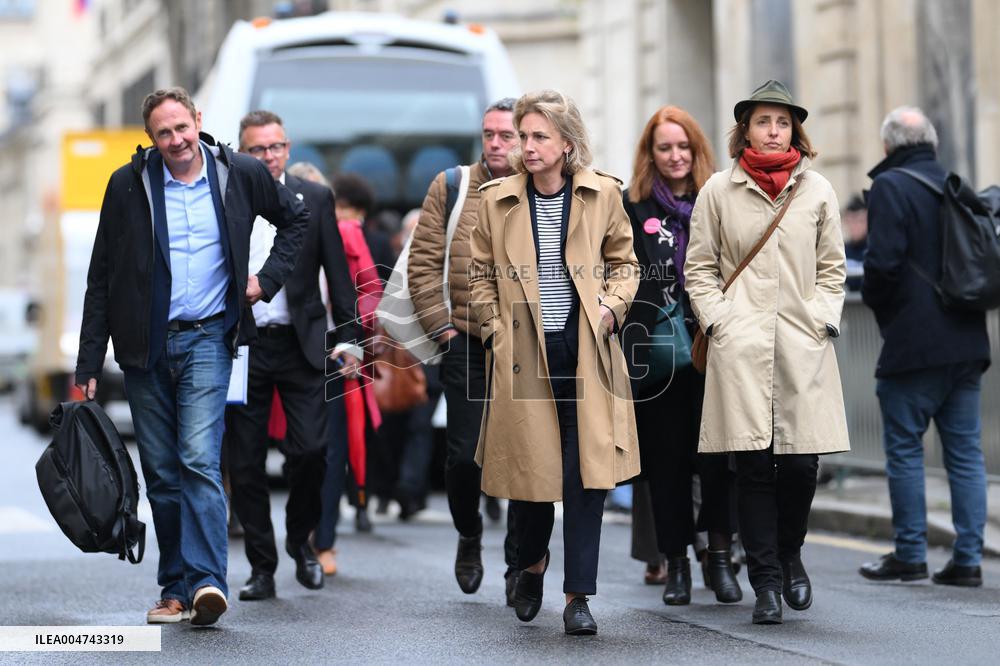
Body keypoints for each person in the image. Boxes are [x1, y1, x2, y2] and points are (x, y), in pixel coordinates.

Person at [74, 87, 308, 625]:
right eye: (164, 133)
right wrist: (88, 365)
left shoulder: (239, 173)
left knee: (199, 459)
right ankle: (174, 588)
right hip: (145, 348)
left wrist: (265, 281)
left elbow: (296, 220)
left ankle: (206, 581)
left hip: (209, 338)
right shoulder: (128, 185)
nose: (176, 140)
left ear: (197, 121)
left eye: (182, 127)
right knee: (160, 472)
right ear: (151, 138)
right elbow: (101, 277)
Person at [469, 89, 640, 635]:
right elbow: (478, 276)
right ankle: (532, 561)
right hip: (523, 353)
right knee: (533, 473)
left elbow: (625, 264)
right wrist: (497, 331)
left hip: (585, 348)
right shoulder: (497, 200)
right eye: (524, 136)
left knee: (586, 477)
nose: (528, 145)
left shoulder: (603, 194)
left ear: (568, 144)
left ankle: (578, 597)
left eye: (540, 136)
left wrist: (610, 311)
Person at [685, 80, 850, 625]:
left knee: (802, 465)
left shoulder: (818, 190)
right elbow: (700, 269)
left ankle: (790, 551)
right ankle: (767, 585)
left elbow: (832, 270)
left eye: (782, 122)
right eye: (763, 122)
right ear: (746, 129)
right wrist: (720, 322)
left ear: (794, 130)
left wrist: (823, 321)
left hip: (802, 345)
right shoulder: (717, 190)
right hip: (741, 347)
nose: (773, 131)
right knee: (752, 467)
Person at [226, 110, 362, 601]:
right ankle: (262, 567)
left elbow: (337, 274)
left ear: (288, 148)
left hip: (303, 344)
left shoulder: (316, 198)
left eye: (276, 146)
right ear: (242, 152)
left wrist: (349, 338)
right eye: (258, 149)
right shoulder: (226, 195)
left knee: (310, 452)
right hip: (243, 346)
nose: (269, 157)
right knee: (243, 463)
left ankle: (300, 542)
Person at [858, 107, 989, 587]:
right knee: (965, 454)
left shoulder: (892, 187)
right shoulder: (954, 182)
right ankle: (968, 560)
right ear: (930, 142)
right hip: (968, 341)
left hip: (914, 344)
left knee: (905, 450)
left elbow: (883, 266)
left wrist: (882, 308)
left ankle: (911, 553)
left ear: (889, 147)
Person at [622, 105, 740, 607]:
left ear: (697, 150)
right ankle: (676, 564)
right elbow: (624, 272)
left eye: (683, 147)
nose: (675, 156)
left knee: (720, 461)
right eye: (664, 147)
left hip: (718, 346)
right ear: (651, 155)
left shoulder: (720, 199)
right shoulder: (633, 206)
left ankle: (717, 553)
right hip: (659, 350)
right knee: (666, 466)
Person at [407, 97, 522, 602]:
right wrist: (443, 331)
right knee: (463, 457)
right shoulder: (451, 186)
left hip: (526, 345)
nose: (496, 144)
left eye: (507, 136)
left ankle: (522, 560)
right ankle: (469, 533)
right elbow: (423, 262)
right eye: (489, 134)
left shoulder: (540, 188)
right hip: (466, 342)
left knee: (526, 457)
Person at [312, 172, 385, 573]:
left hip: (339, 350)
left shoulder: (352, 237)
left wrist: (354, 339)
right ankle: (328, 525)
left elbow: (370, 293)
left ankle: (325, 538)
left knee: (338, 445)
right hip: (315, 349)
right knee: (316, 448)